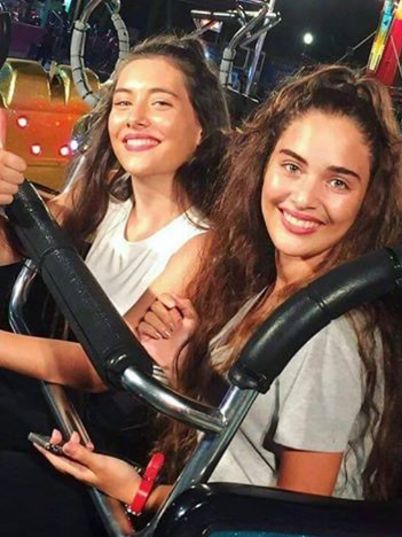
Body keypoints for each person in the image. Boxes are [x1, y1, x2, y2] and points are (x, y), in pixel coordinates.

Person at [0, 65, 402, 508]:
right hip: (172, 492)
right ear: (263, 167)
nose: (304, 198)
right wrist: (181, 364)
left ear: (368, 201)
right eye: (292, 167)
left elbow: (286, 521)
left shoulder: (323, 335)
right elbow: (233, 430)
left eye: (337, 182)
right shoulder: (265, 287)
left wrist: (137, 493)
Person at [0, 33, 229, 536]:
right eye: (123, 103)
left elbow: (101, 367)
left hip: (102, 447)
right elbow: (9, 248)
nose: (135, 118)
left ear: (201, 130)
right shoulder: (102, 198)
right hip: (52, 406)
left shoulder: (200, 246)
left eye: (160, 103)